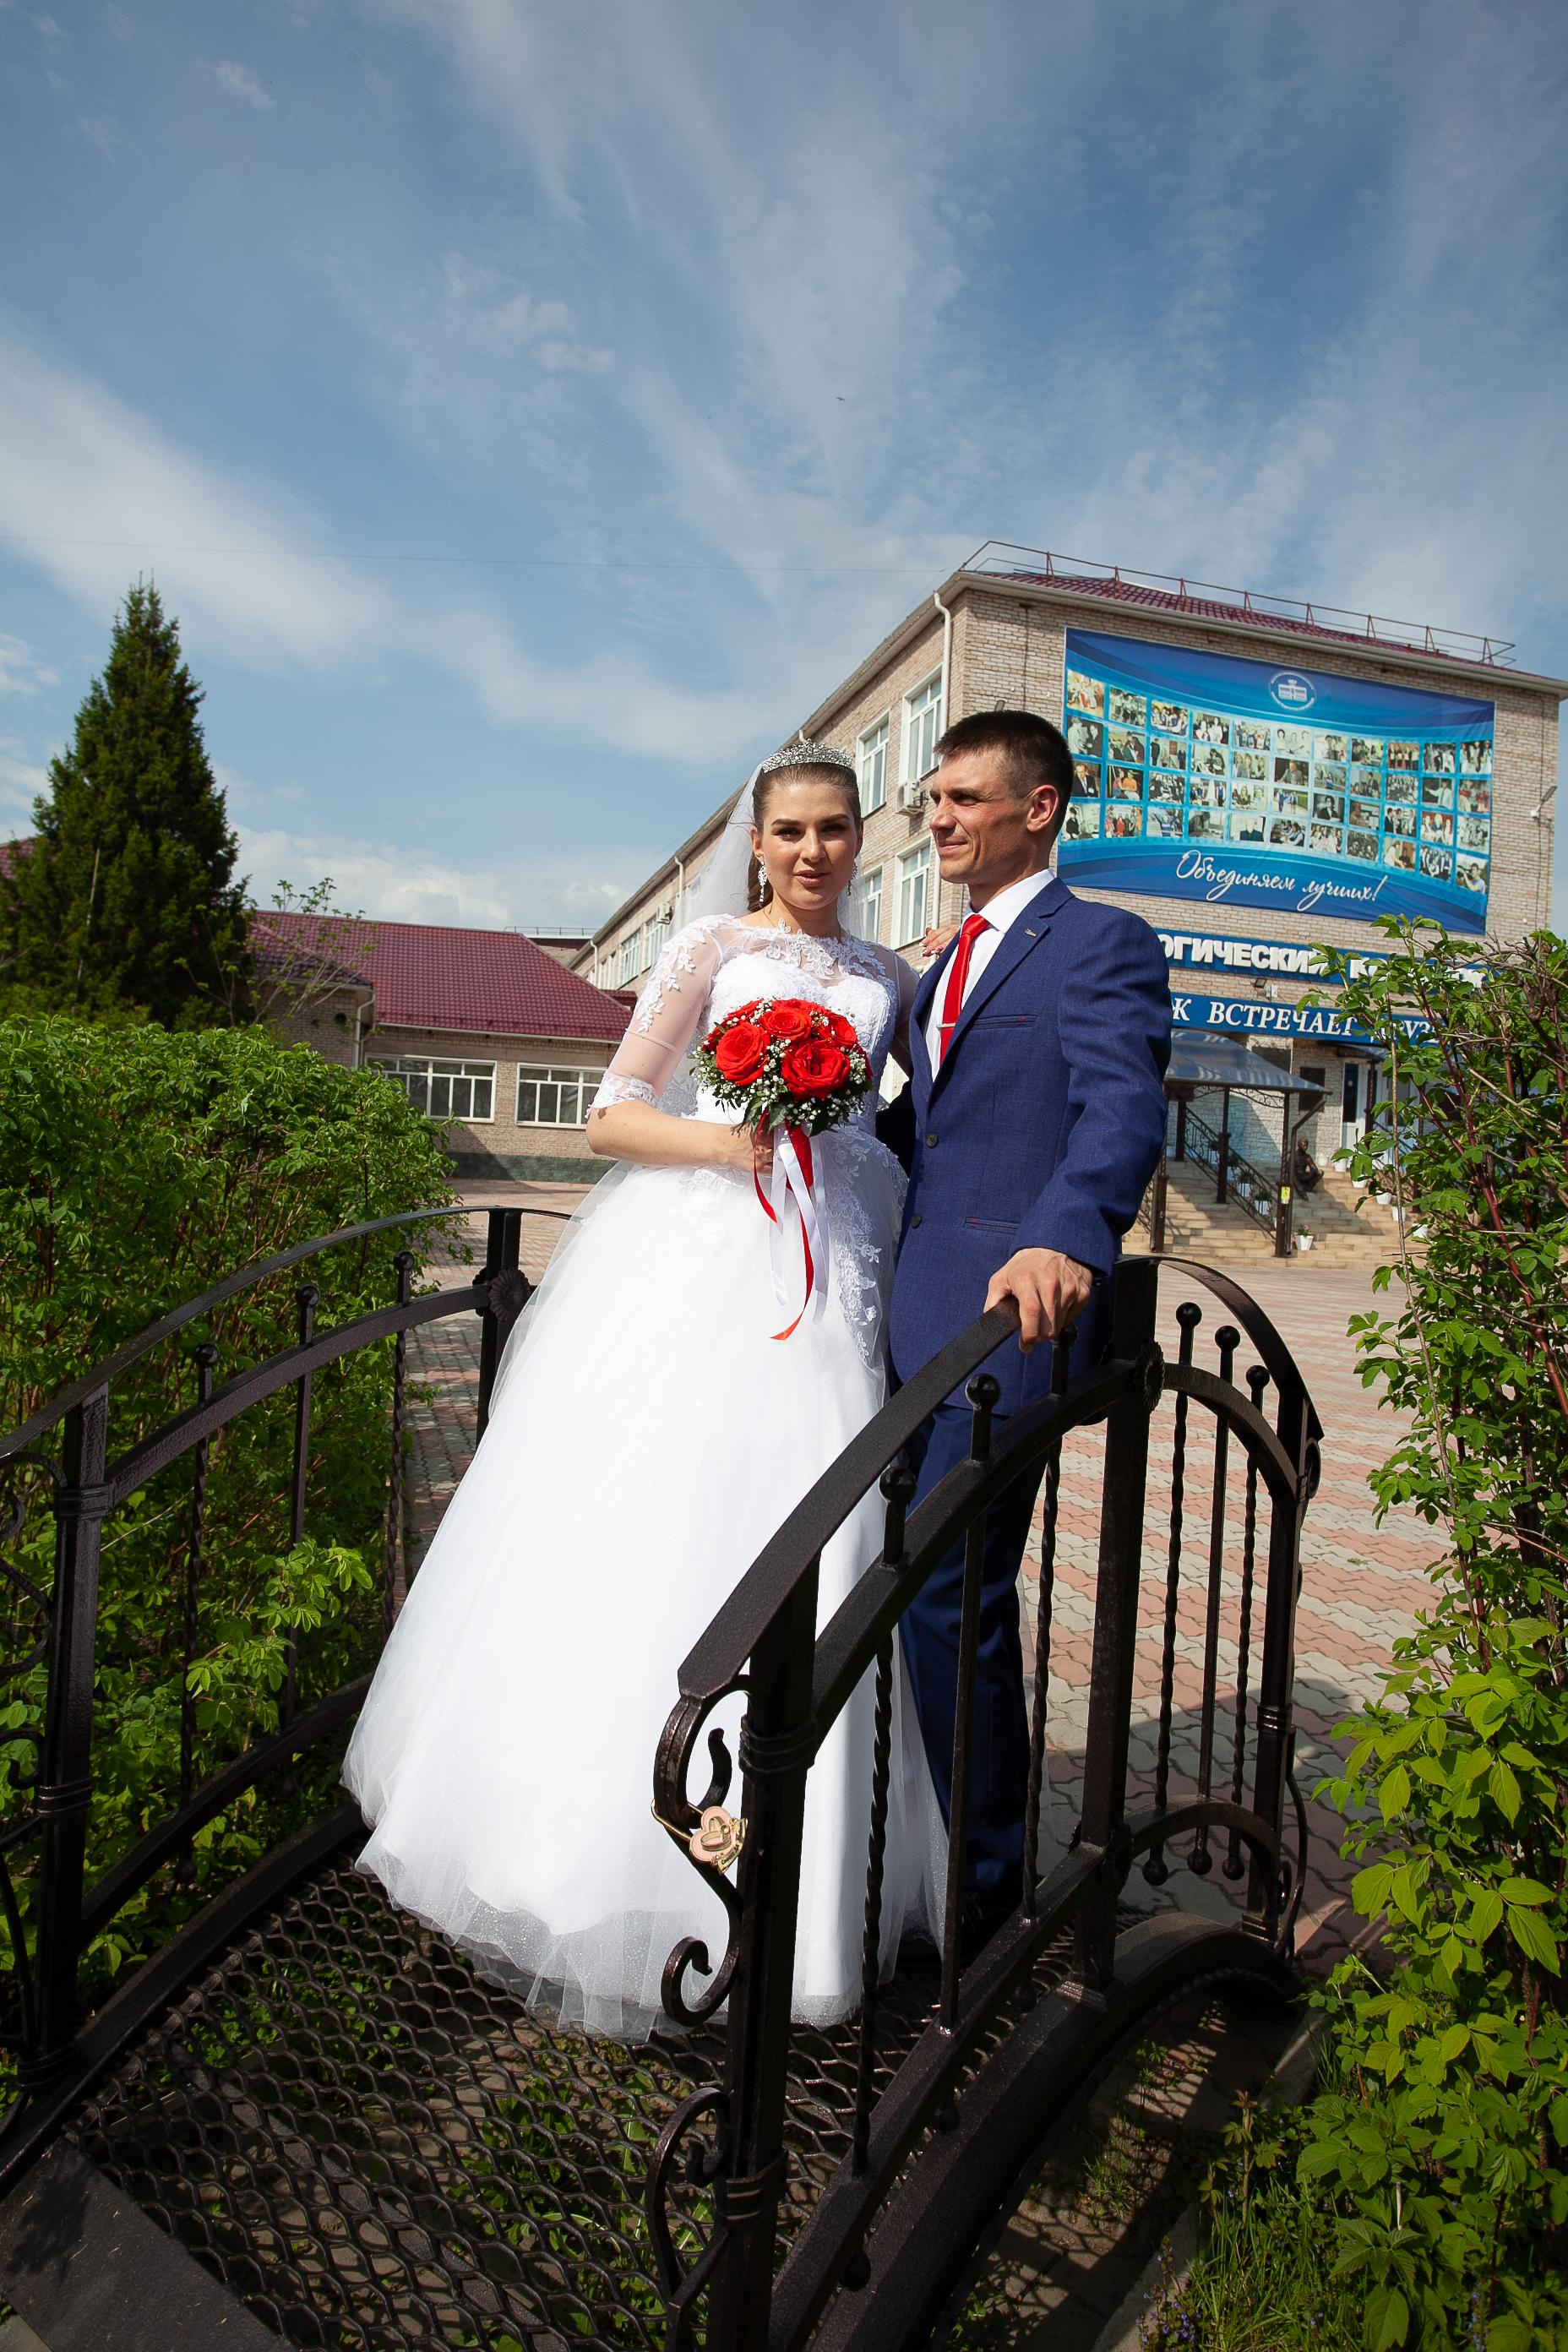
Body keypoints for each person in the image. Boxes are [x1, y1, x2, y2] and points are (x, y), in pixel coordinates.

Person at [343, 743, 943, 2040]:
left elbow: (895, 1124)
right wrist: (734, 1143)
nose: (814, 852)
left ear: (861, 834)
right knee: (660, 1524)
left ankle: (800, 1905)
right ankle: (592, 1868)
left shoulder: (891, 977)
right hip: (710, 1263)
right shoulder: (712, 950)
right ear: (759, 841)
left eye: (835, 828)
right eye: (791, 830)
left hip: (836, 1273)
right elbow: (614, 1114)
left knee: (822, 1533)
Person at [879, 710, 1171, 1949]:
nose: (935, 818)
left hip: (1007, 1328)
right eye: (933, 799)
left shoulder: (1100, 942)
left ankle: (987, 1892)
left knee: (951, 1595)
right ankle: (902, 1860)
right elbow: (926, 1130)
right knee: (894, 1590)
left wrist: (1070, 1233)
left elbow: (1120, 1108)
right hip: (904, 1318)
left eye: (961, 799)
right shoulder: (937, 963)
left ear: (1038, 807)